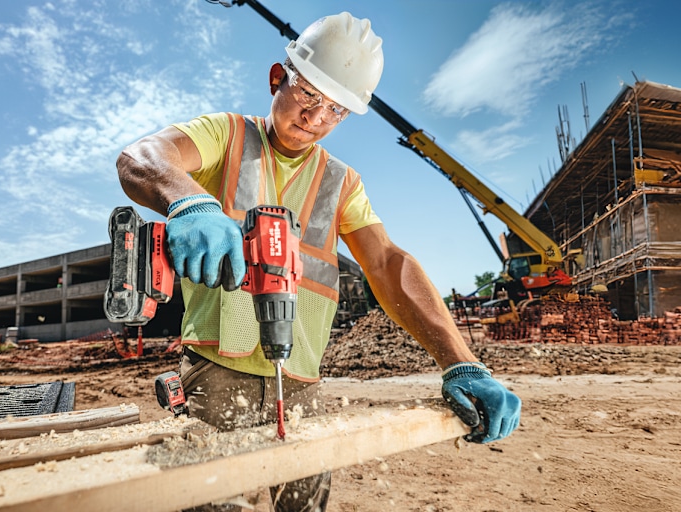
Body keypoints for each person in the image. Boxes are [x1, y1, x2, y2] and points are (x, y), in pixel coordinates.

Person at [117, 12, 521, 511]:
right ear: (276, 79)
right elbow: (142, 156)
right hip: (214, 377)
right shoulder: (227, 136)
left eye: (335, 110)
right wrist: (189, 201)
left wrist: (461, 361)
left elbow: (389, 264)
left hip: (304, 386)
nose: (315, 119)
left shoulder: (341, 182)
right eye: (308, 96)